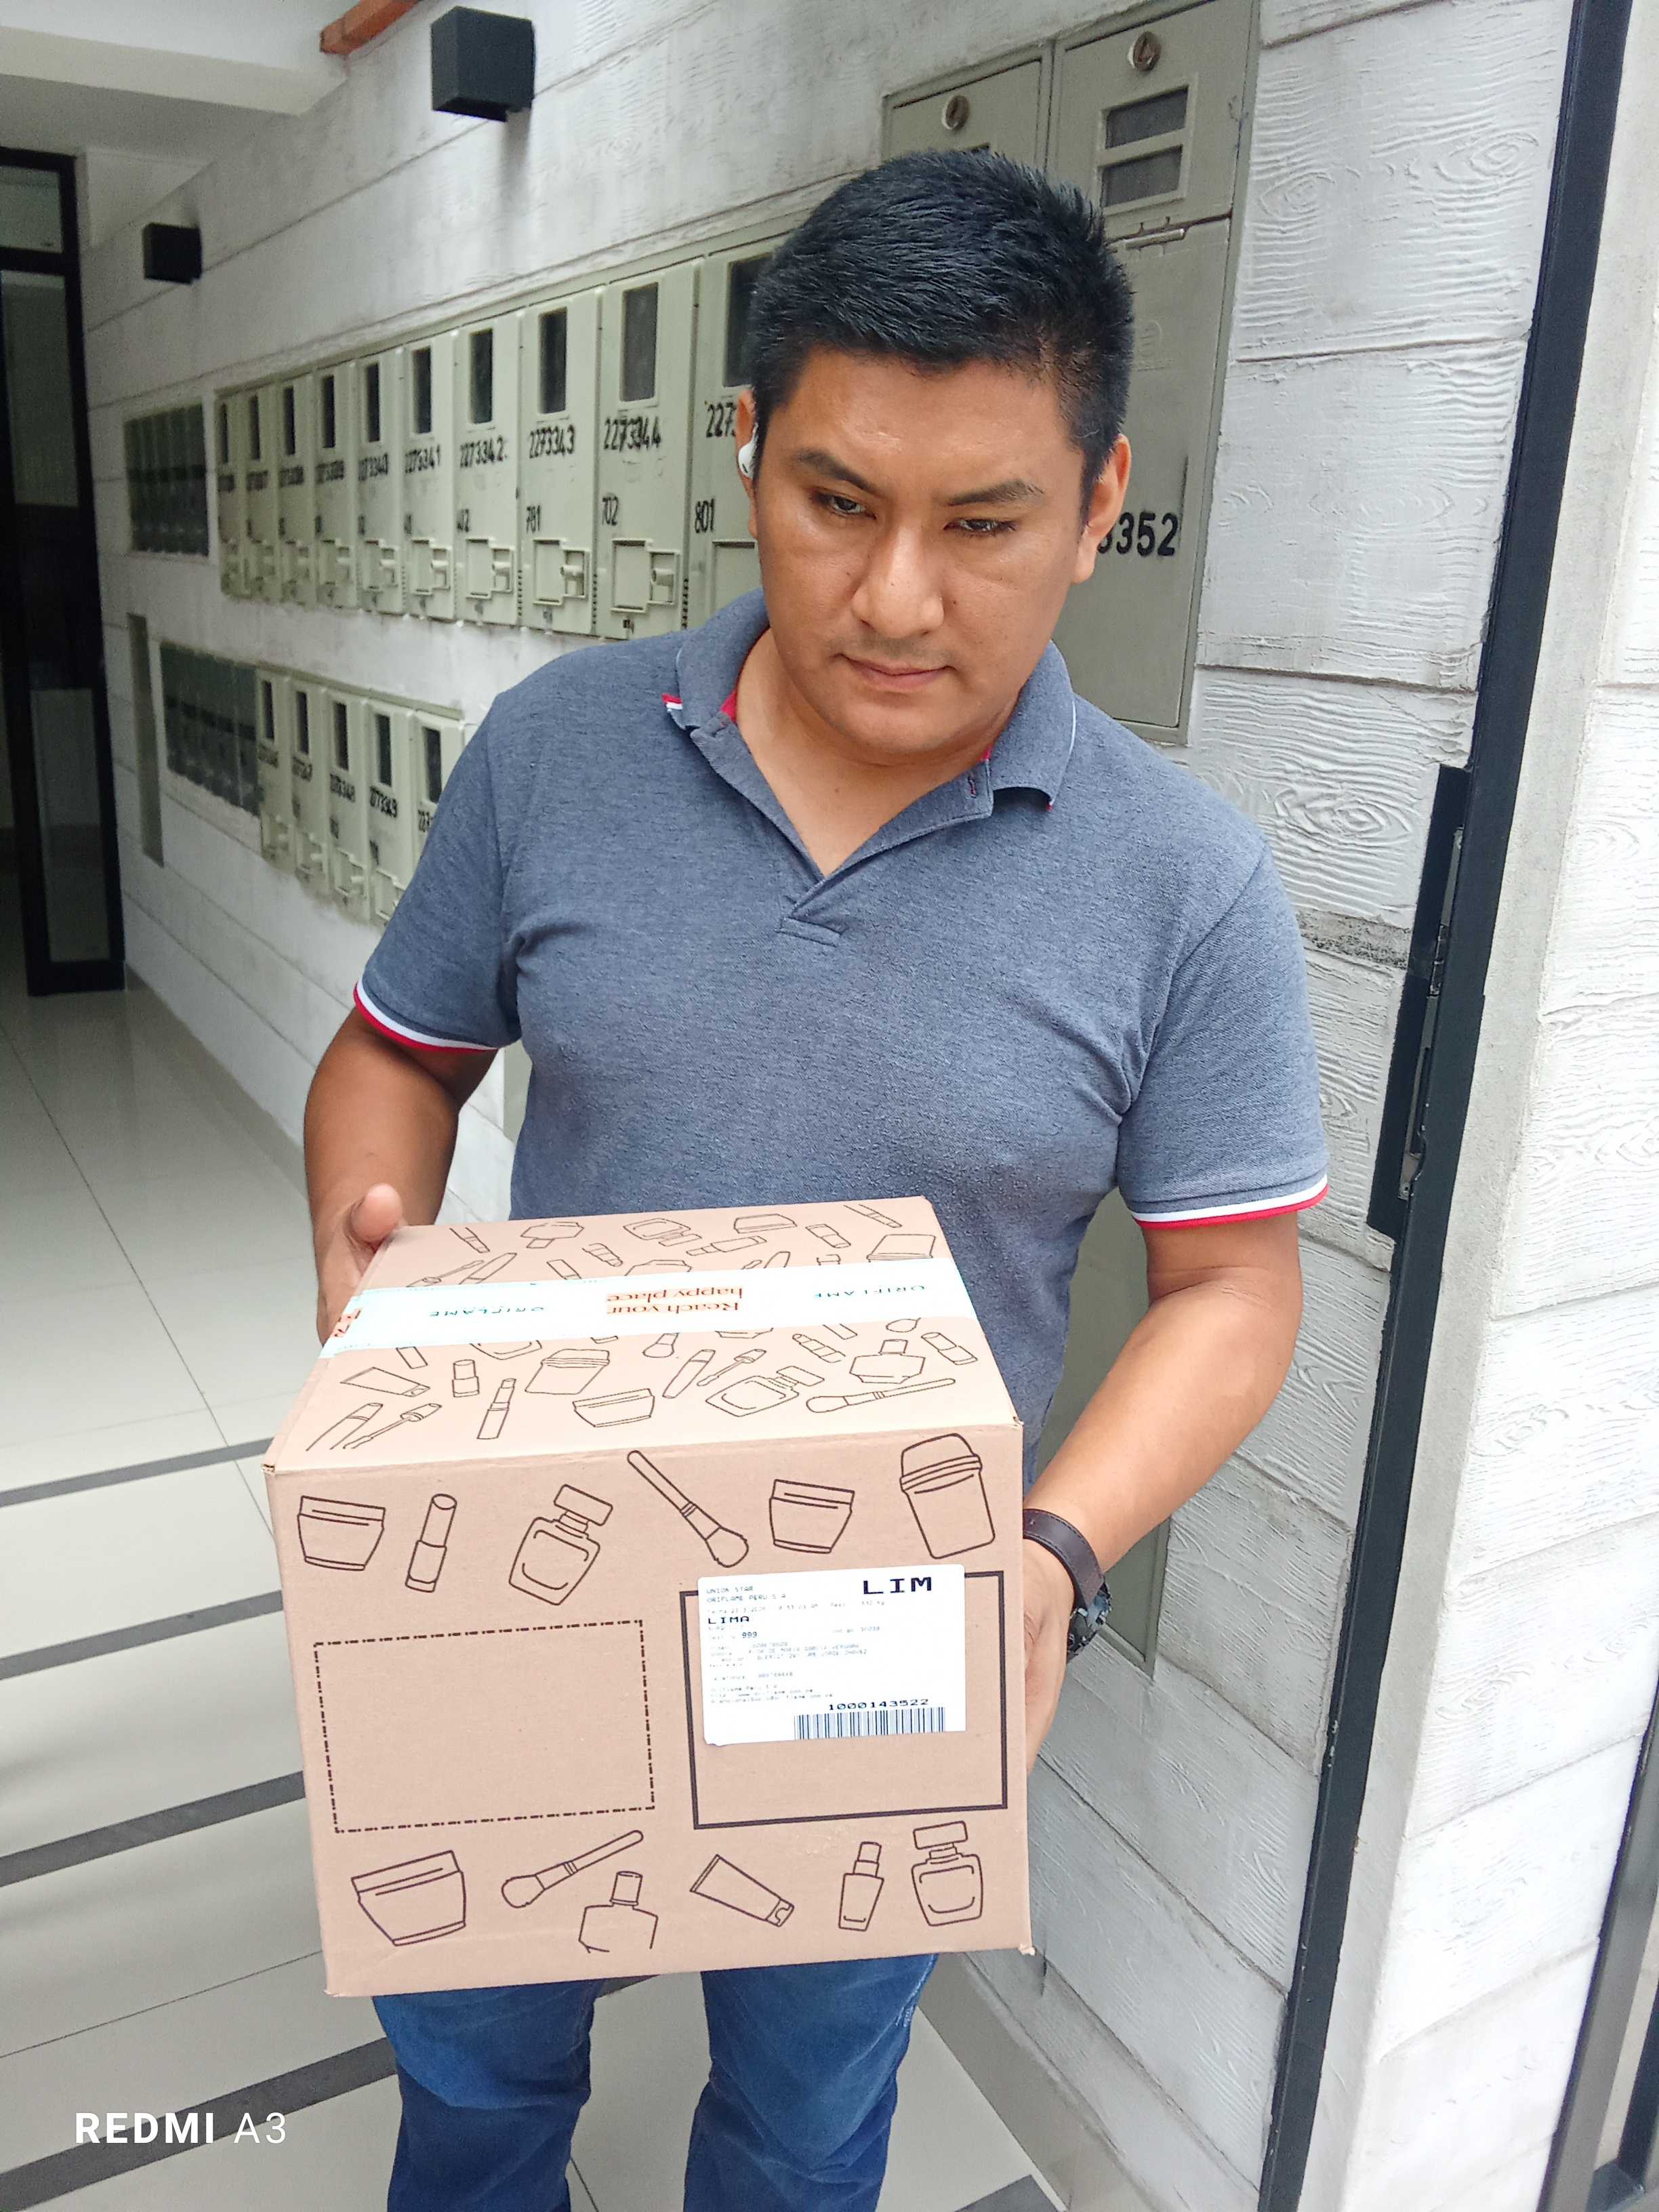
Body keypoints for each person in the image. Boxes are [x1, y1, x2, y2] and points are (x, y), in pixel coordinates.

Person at [304, 151, 1327, 2212]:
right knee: (477, 2084)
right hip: (535, 1564)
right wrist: (369, 1298)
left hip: (885, 1618)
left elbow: (1233, 1289)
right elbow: (396, 1057)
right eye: (837, 501)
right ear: (748, 446)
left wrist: (1053, 1555)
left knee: (803, 2116)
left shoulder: (1186, 884)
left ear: (1101, 502)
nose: (894, 599)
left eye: (985, 523)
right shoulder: (558, 751)